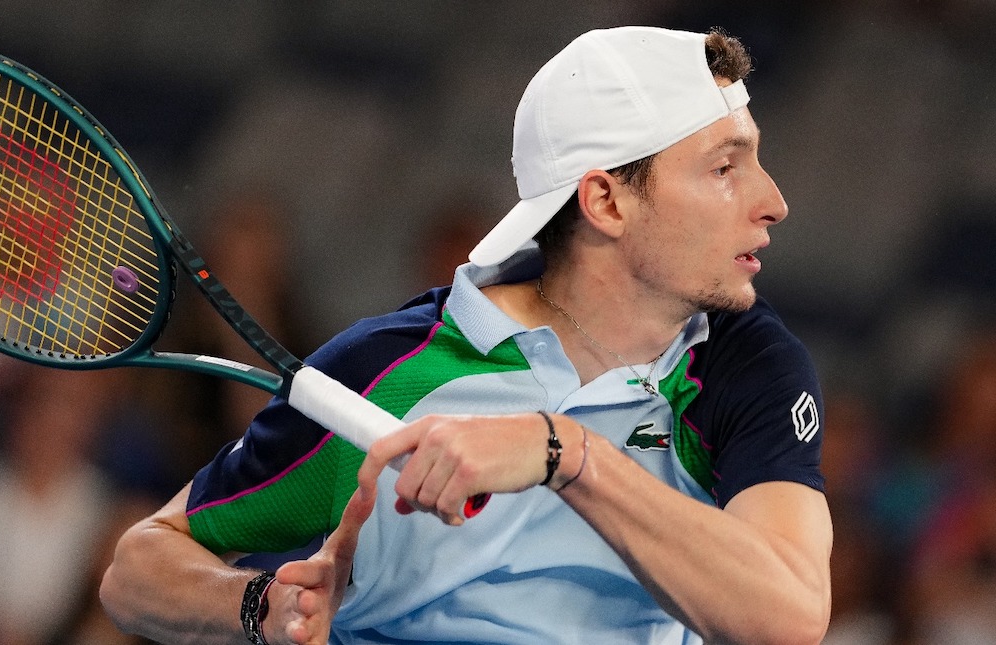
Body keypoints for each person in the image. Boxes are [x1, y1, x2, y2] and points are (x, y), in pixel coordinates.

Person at [100, 26, 832, 644]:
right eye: (725, 167)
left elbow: (788, 617)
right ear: (606, 201)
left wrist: (565, 453)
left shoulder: (745, 365)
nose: (774, 201)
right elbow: (138, 568)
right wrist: (264, 605)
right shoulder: (388, 369)